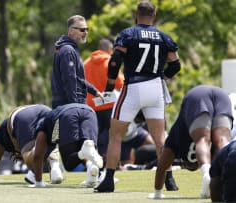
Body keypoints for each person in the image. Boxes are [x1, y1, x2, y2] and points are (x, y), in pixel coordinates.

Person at [95, 1, 181, 192]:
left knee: (115, 135)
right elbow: (176, 65)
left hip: (133, 86)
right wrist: (162, 77)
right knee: (160, 138)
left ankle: (109, 180)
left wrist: (110, 86)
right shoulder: (164, 37)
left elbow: (115, 61)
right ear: (155, 15)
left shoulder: (128, 34)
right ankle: (169, 179)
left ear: (136, 14)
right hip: (155, 88)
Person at [149, 85, 233, 199]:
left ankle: (207, 173)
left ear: (184, 161)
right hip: (222, 96)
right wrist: (157, 191)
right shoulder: (212, 155)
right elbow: (162, 166)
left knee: (203, 139)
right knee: (222, 141)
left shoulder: (176, 137)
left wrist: (157, 193)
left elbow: (162, 165)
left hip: (197, 96)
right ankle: (221, 178)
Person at [0, 104, 64, 184]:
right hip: (46, 110)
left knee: (31, 160)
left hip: (23, 117)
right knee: (50, 143)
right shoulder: (9, 132)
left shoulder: (2, 132)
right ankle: (55, 167)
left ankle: (37, 150)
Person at [32, 103, 103, 188]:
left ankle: (83, 153)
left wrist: (38, 182)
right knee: (88, 146)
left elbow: (37, 155)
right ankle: (91, 179)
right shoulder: (50, 117)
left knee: (69, 164)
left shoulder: (42, 124)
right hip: (90, 111)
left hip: (67, 114)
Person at [84, 38, 124, 160]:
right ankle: (110, 162)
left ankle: (95, 162)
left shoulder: (85, 64)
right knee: (112, 135)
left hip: (91, 106)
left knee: (94, 136)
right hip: (108, 105)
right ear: (108, 49)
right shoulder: (109, 63)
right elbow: (120, 83)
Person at [51, 15, 103, 109]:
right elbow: (69, 79)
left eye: (87, 29)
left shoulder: (70, 49)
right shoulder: (68, 50)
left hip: (70, 102)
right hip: (70, 103)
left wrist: (95, 92)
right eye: (82, 30)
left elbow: (78, 78)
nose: (85, 32)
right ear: (71, 31)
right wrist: (74, 105)